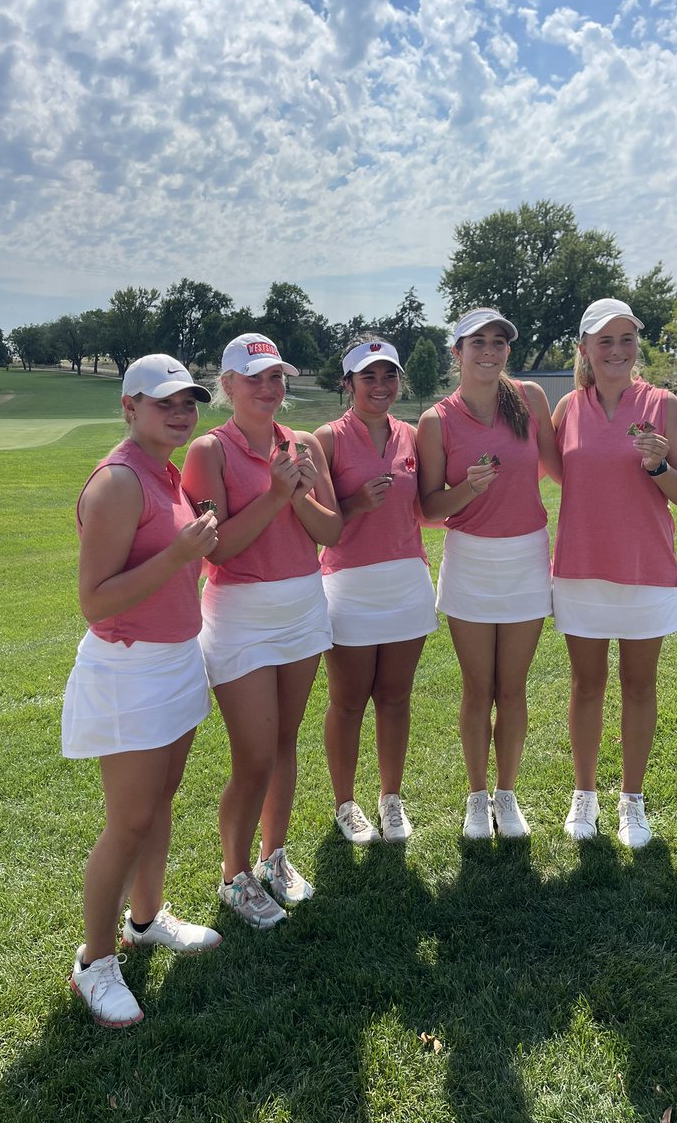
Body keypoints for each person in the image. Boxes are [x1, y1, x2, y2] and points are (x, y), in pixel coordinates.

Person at [62, 354, 221, 1028]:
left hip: (175, 660)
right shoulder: (119, 482)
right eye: (164, 403)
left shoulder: (165, 473)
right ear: (129, 407)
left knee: (159, 803)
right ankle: (94, 962)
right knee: (128, 820)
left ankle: (146, 918)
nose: (180, 413)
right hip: (129, 669)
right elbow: (94, 603)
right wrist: (181, 555)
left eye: (188, 402)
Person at [181, 333, 342, 926]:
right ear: (227, 386)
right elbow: (218, 551)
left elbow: (333, 531)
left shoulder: (302, 444)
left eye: (277, 377)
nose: (270, 388)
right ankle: (234, 875)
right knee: (252, 756)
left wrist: (295, 496)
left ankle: (274, 856)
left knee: (283, 744)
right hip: (240, 612)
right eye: (255, 379)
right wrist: (277, 495)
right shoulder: (210, 451)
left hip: (303, 603)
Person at [551, 298, 677, 848]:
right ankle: (584, 795)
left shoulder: (662, 405)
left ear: (637, 346)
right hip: (581, 568)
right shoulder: (567, 407)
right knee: (586, 685)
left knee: (639, 685)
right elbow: (550, 469)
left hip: (644, 567)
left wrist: (658, 466)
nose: (617, 351)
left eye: (626, 340)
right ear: (586, 349)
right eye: (605, 341)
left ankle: (632, 801)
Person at [417, 308, 560, 839]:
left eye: (499, 342)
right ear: (456, 352)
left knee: (514, 688)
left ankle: (507, 795)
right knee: (478, 689)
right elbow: (430, 507)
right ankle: (477, 798)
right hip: (470, 560)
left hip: (525, 557)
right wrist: (467, 491)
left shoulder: (530, 398)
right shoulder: (435, 420)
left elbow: (560, 466)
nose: (489, 351)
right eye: (477, 342)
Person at [314, 337, 437, 844]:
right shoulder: (327, 439)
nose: (381, 386)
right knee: (347, 701)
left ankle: (391, 798)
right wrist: (356, 502)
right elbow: (317, 522)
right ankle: (346, 803)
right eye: (369, 377)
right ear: (348, 384)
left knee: (395, 697)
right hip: (348, 582)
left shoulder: (412, 435)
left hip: (407, 580)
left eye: (389, 376)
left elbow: (428, 506)